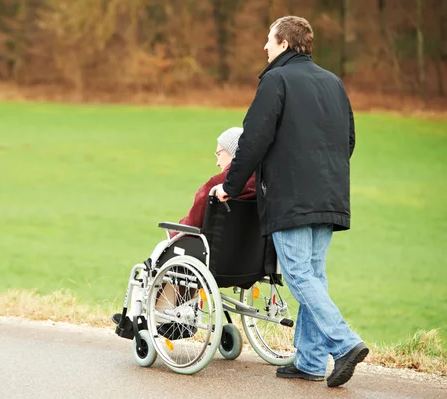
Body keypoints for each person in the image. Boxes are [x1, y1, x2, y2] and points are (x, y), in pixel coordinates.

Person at [214, 16, 367, 388]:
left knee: (299, 275)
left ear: (283, 42)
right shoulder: (333, 82)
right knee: (313, 276)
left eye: (269, 40)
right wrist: (323, 176)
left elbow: (252, 141)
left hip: (292, 196)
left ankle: (345, 344)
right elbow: (348, 140)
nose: (264, 47)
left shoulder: (275, 80)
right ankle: (311, 361)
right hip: (329, 195)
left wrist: (229, 187)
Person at [112, 127, 256, 335]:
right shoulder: (262, 184)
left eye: (219, 154)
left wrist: (175, 230)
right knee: (185, 257)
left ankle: (140, 317)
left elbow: (194, 221)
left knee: (162, 256)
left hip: (213, 257)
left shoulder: (217, 185)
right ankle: (172, 311)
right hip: (247, 261)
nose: (217, 162)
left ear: (233, 152)